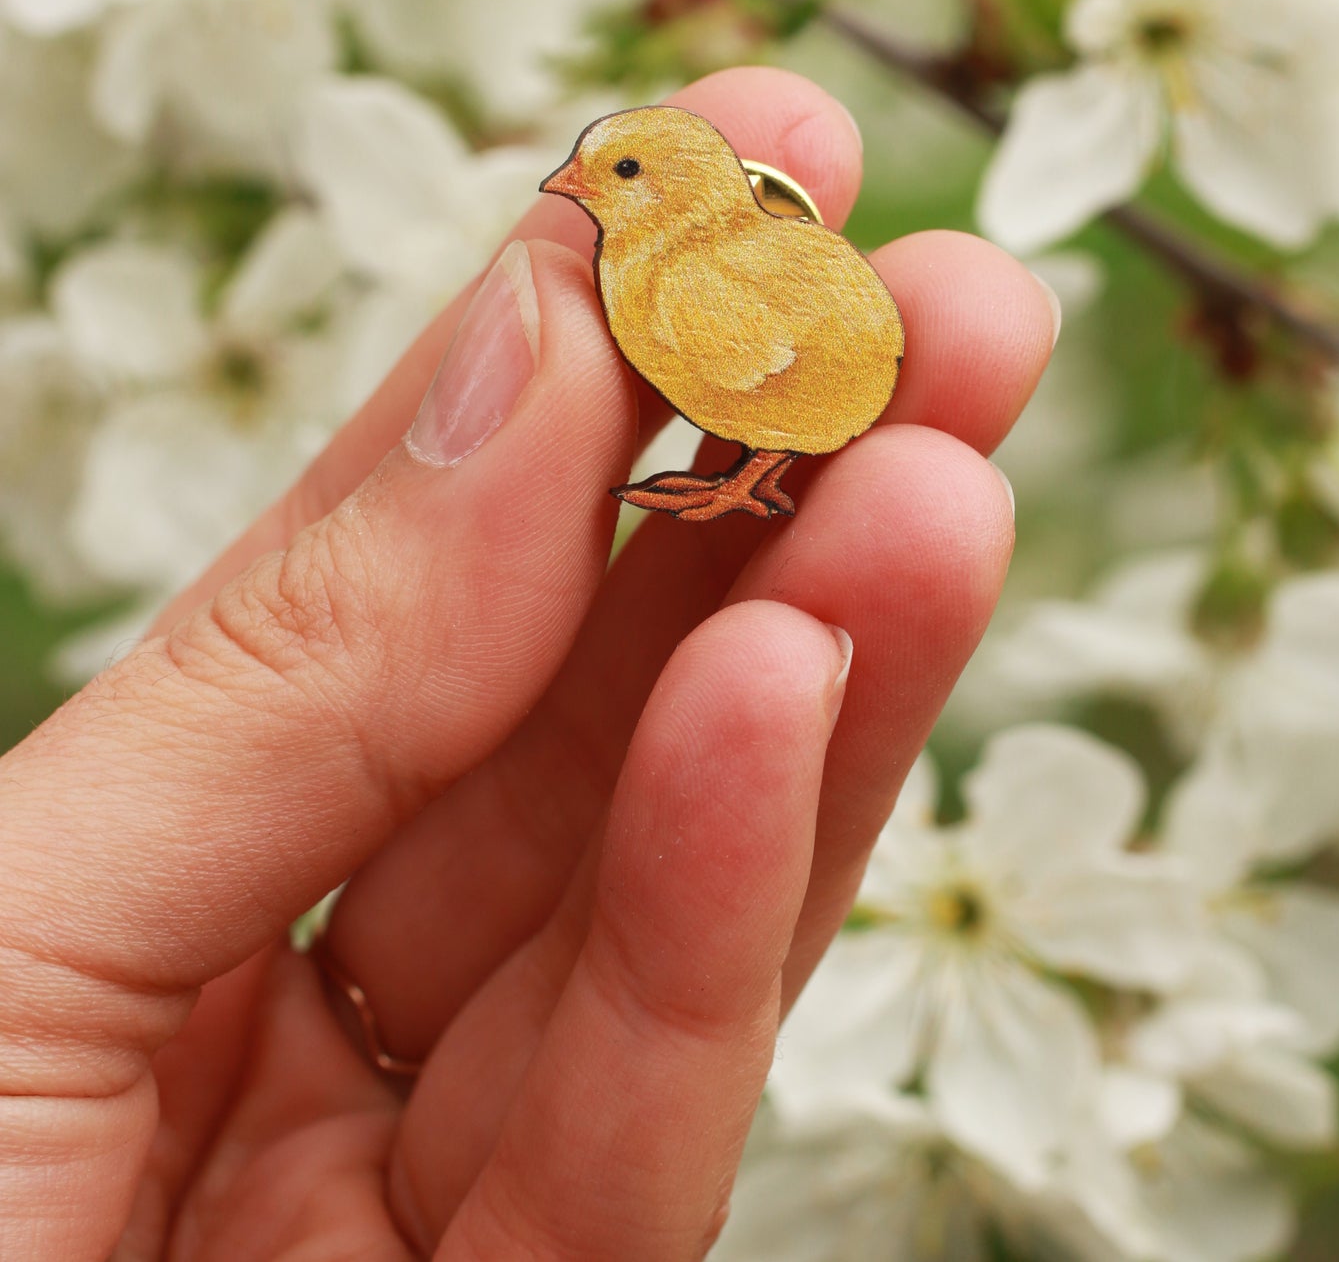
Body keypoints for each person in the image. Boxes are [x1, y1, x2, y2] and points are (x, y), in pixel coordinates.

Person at [0, 68, 1056, 1260]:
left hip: (801, 389)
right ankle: (748, 478)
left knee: (841, 581)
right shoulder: (666, 270)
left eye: (608, 177)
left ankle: (747, 478)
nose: (570, 187)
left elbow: (815, 360)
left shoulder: (689, 282)